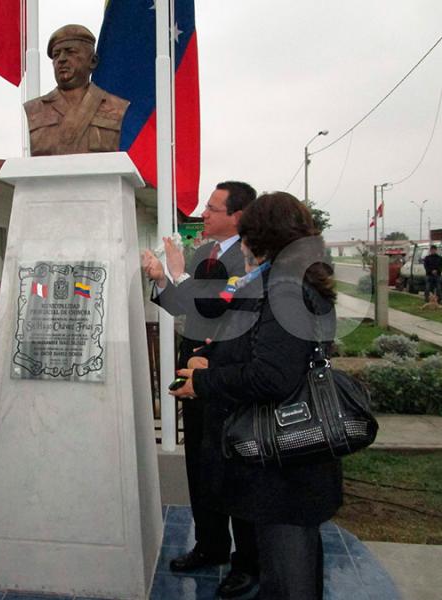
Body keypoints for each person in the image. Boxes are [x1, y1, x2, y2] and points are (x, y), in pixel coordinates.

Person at [171, 192, 342, 600]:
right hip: (288, 460)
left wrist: (207, 382)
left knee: (288, 578)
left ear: (260, 236)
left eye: (247, 234)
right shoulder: (291, 277)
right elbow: (259, 346)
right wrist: (213, 357)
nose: (243, 244)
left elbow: (273, 376)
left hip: (285, 465)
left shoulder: (285, 287)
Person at [142, 181, 260, 599]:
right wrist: (162, 280)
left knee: (236, 469)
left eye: (212, 208)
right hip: (194, 373)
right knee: (201, 463)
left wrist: (178, 272)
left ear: (239, 216)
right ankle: (211, 545)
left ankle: (248, 561)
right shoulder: (204, 252)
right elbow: (184, 307)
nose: (203, 213)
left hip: (229, 374)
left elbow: (216, 306)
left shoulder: (249, 258)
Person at [24, 24, 129, 156]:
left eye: (70, 51)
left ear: (93, 61)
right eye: (56, 54)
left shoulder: (116, 107)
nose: (61, 59)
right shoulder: (35, 109)